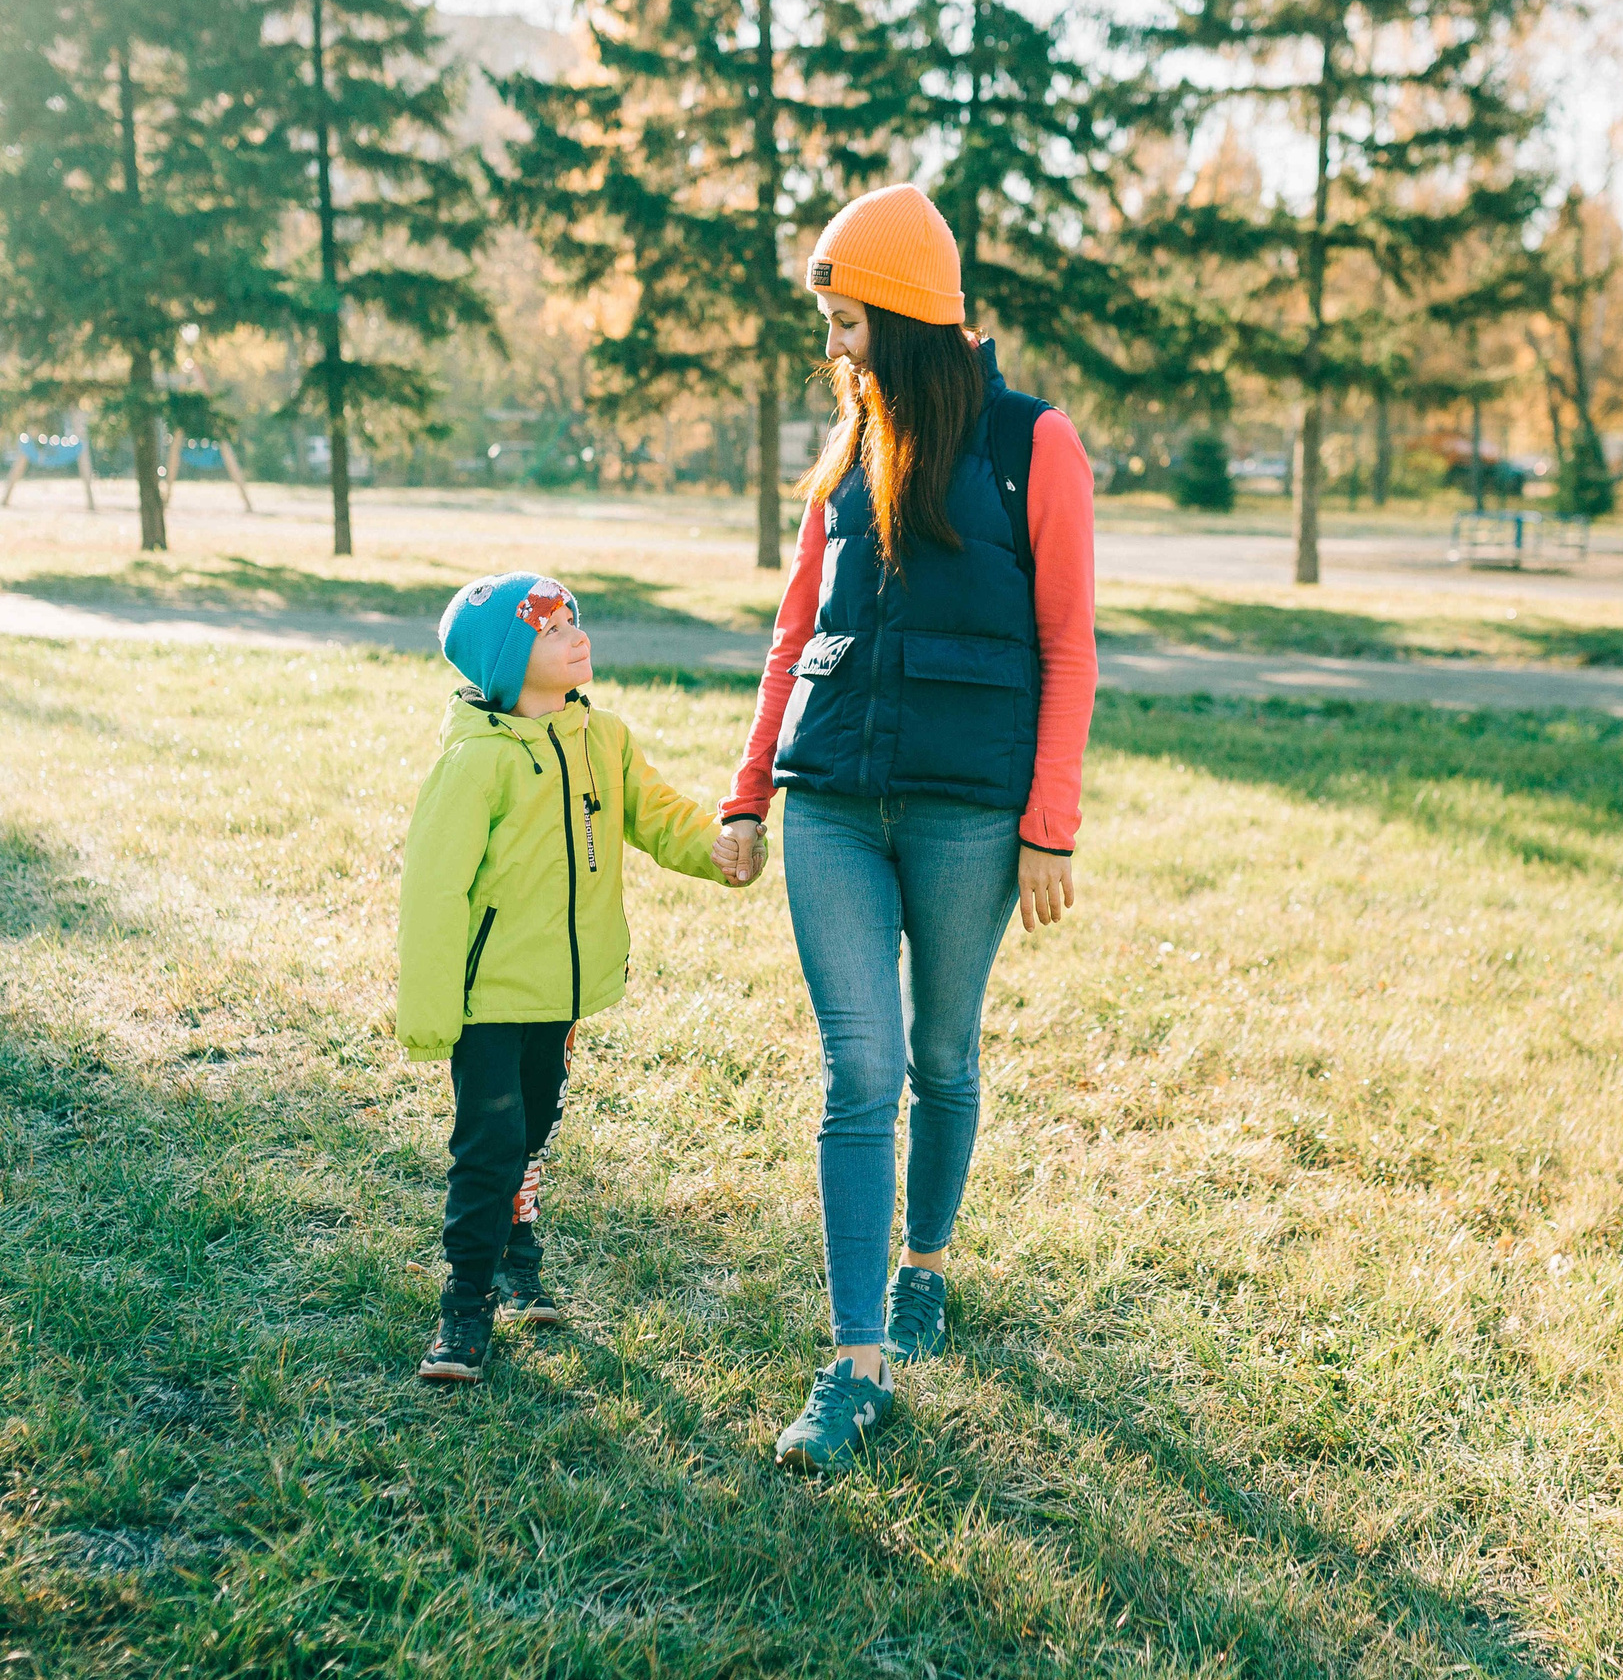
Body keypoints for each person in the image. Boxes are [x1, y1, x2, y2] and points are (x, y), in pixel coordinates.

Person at [711, 183, 1098, 1473]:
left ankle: (926, 1263)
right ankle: (854, 1360)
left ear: (909, 320)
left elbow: (1067, 643)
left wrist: (1049, 823)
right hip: (830, 802)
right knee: (858, 1072)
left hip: (967, 811)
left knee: (942, 1050)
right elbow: (792, 634)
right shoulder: (841, 455)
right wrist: (748, 786)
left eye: (847, 320)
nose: (834, 345)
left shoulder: (1032, 446)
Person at [398, 571, 747, 1383]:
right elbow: (434, 891)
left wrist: (718, 849)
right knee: (490, 1142)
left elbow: (658, 816)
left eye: (575, 619)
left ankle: (520, 1256)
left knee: (534, 1130)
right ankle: (465, 1301)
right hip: (488, 1000)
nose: (577, 636)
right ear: (507, 663)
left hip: (559, 991)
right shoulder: (477, 763)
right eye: (553, 630)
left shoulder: (605, 740)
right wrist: (430, 1010)